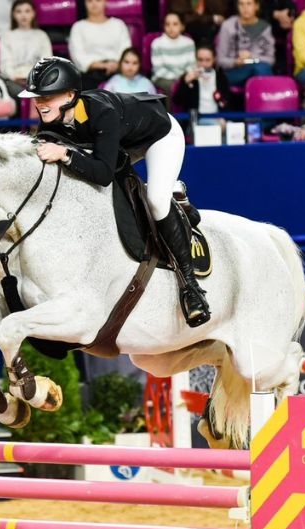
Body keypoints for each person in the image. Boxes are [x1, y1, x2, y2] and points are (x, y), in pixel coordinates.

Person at [21, 56, 210, 327]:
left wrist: (64, 154)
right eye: (37, 97)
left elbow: (103, 174)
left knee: (156, 201)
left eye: (47, 97)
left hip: (159, 136)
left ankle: (191, 287)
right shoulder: (51, 121)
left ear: (71, 95)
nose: (40, 103)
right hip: (120, 143)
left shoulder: (102, 113)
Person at [67, 0, 132, 89]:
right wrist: (102, 65)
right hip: (89, 76)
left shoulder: (118, 24)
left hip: (118, 72)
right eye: (90, 1)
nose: (94, 4)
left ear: (105, 2)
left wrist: (117, 64)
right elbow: (78, 56)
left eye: (98, 0)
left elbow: (126, 51)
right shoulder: (78, 27)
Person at [217, 0, 276, 87]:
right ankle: (267, 93)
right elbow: (220, 60)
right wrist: (235, 62)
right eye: (241, 4)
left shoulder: (265, 28)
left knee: (260, 68)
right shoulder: (228, 26)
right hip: (234, 72)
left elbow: (271, 59)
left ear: (256, 6)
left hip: (259, 69)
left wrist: (251, 57)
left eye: (249, 3)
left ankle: (262, 92)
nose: (245, 8)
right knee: (261, 70)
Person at [0, 0, 52, 88]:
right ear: (13, 14)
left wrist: (34, 78)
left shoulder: (41, 35)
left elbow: (46, 62)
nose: (23, 15)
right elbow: (5, 64)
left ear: (33, 13)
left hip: (37, 80)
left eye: (27, 11)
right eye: (19, 11)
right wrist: (14, 77)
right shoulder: (6, 36)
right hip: (13, 81)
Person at [173, 44, 232, 125]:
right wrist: (186, 83)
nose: (203, 64)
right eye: (200, 60)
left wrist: (224, 119)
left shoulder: (221, 77)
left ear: (214, 59)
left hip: (217, 118)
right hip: (196, 120)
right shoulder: (189, 77)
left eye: (207, 60)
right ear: (195, 59)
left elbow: (226, 102)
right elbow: (177, 102)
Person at [150, 11, 196, 94]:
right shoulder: (157, 43)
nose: (171, 27)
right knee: (174, 87)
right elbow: (158, 69)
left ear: (182, 26)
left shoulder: (189, 42)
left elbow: (191, 65)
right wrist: (179, 80)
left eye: (175, 24)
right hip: (163, 78)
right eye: (167, 24)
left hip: (184, 77)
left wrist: (185, 77)